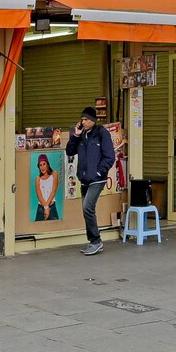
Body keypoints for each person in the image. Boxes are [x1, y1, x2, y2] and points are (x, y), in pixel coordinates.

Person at [66, 105, 116, 255]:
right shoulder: (81, 135)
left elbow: (110, 157)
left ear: (93, 120)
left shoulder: (102, 133)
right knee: (87, 210)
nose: (84, 122)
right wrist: (75, 135)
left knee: (88, 206)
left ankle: (96, 241)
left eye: (86, 119)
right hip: (84, 179)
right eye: (82, 119)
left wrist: (99, 172)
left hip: (97, 179)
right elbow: (69, 151)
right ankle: (93, 241)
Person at [33, 153, 61, 222]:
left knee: (55, 229)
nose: (42, 167)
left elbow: (53, 191)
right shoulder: (37, 179)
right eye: (40, 165)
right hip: (41, 208)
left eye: (44, 164)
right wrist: (45, 207)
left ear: (47, 164)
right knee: (37, 229)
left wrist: (47, 207)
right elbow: (39, 195)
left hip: (52, 207)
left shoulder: (54, 174)